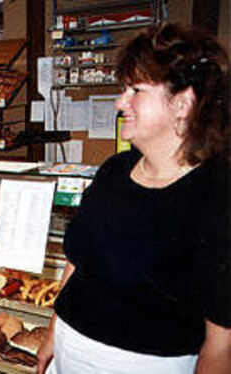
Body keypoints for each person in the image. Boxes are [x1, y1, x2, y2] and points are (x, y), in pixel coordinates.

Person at [37, 23, 230, 374]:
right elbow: (77, 263)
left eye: (135, 90)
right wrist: (53, 332)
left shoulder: (216, 197)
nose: (119, 102)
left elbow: (221, 344)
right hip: (67, 357)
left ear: (183, 103)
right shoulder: (114, 170)